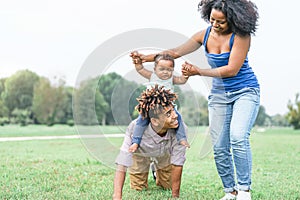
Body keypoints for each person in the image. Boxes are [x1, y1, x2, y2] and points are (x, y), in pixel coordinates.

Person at [135, 0, 260, 199]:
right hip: (219, 96)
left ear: (233, 20)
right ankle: (230, 191)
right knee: (219, 146)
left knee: (237, 137)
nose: (216, 25)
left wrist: (197, 71)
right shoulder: (205, 34)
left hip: (245, 91)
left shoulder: (241, 36)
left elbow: (231, 70)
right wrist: (146, 58)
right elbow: (174, 53)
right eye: (212, 20)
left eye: (221, 22)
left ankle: (244, 190)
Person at [113, 85, 187, 199]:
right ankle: (149, 168)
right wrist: (117, 196)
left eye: (173, 110)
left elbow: (178, 163)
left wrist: (175, 197)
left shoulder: (179, 128)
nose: (175, 116)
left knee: (167, 186)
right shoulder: (134, 128)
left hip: (164, 154)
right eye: (168, 113)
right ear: (155, 121)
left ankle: (156, 171)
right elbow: (122, 162)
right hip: (141, 154)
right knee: (139, 187)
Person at [128, 51, 190, 153]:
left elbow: (182, 80)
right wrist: (137, 63)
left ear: (173, 70)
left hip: (168, 107)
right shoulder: (152, 75)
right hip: (152, 107)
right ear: (155, 69)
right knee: (141, 121)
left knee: (178, 118)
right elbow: (141, 70)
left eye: (169, 70)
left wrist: (186, 73)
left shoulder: (172, 79)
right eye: (162, 69)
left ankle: (182, 138)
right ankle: (135, 142)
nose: (165, 72)